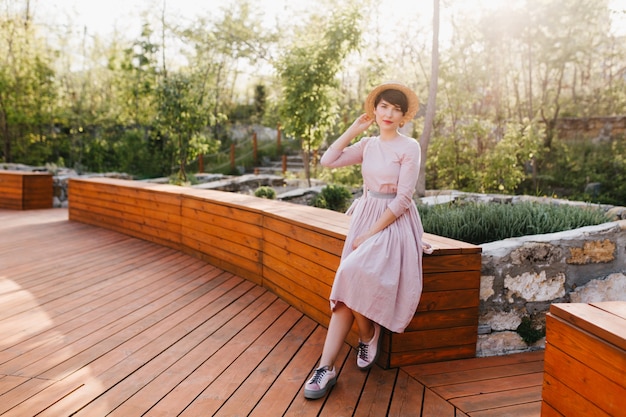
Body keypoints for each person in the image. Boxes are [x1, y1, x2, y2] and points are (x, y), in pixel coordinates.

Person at [303, 81, 432, 400]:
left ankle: (367, 333)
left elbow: (403, 199)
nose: (389, 114)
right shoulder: (369, 145)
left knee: (349, 273)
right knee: (347, 287)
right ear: (374, 110)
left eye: (396, 109)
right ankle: (329, 365)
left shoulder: (408, 147)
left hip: (393, 221)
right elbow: (328, 161)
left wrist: (370, 233)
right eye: (384, 107)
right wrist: (353, 129)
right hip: (365, 214)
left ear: (404, 117)